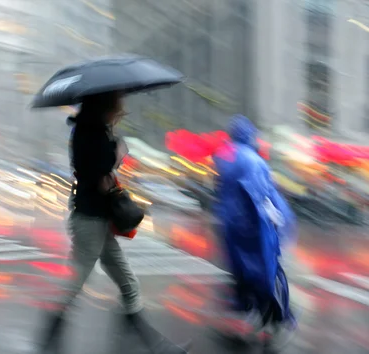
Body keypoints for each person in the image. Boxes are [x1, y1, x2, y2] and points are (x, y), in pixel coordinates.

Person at [40, 92, 190, 354]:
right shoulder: (91, 133)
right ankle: (48, 342)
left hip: (97, 219)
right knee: (75, 284)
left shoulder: (91, 131)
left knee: (128, 283)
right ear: (104, 107)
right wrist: (116, 149)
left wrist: (112, 143)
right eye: (118, 108)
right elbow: (99, 174)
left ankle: (152, 345)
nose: (121, 112)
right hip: (90, 221)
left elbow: (98, 173)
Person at [212, 115, 297, 350]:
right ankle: (276, 319)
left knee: (242, 274)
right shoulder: (252, 160)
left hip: (231, 227)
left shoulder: (223, 156)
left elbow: (219, 190)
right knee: (265, 274)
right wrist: (278, 219)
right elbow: (261, 195)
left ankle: (254, 315)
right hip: (253, 229)